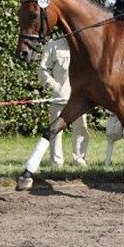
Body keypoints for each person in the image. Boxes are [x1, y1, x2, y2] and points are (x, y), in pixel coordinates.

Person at [38, 37, 90, 167]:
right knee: (55, 130)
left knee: (81, 128)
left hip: (79, 98)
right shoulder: (53, 45)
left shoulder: (84, 46)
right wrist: (55, 87)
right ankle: (56, 162)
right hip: (59, 97)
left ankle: (79, 158)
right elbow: (43, 69)